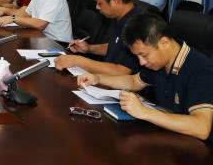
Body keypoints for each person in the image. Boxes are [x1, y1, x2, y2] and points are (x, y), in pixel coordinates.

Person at [77, 13, 213, 144]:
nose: (141, 62)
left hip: (195, 148)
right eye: (137, 56)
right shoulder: (159, 62)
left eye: (144, 55)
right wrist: (98, 78)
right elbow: (133, 81)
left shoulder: (201, 69)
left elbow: (202, 128)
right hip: (167, 136)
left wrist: (144, 112)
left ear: (164, 43)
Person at [54, 0, 141, 75]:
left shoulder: (137, 26)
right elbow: (115, 47)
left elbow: (121, 72)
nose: (97, 7)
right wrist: (89, 48)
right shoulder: (118, 15)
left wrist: (77, 60)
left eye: (100, 3)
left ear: (116, 1)